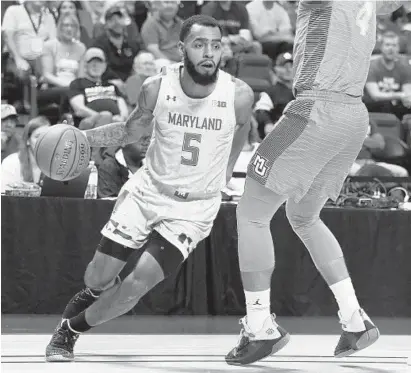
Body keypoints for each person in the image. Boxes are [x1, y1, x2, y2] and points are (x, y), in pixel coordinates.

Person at [45, 14, 254, 362]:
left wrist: (229, 168)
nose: (209, 52)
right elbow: (129, 132)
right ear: (181, 47)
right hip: (148, 192)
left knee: (134, 289)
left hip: (193, 209)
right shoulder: (157, 88)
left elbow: (243, 127)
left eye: (216, 45)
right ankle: (100, 293)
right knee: (97, 277)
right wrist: (83, 137)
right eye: (200, 44)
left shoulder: (239, 95)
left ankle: (69, 331)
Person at [225, 1, 404, 366]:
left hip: (317, 108)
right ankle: (355, 319)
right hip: (353, 116)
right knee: (304, 216)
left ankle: (259, 326)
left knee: (252, 212)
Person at [1, 116, 50, 193]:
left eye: (47, 136)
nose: (42, 141)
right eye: (38, 136)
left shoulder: (56, 166)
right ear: (28, 140)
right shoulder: (11, 162)